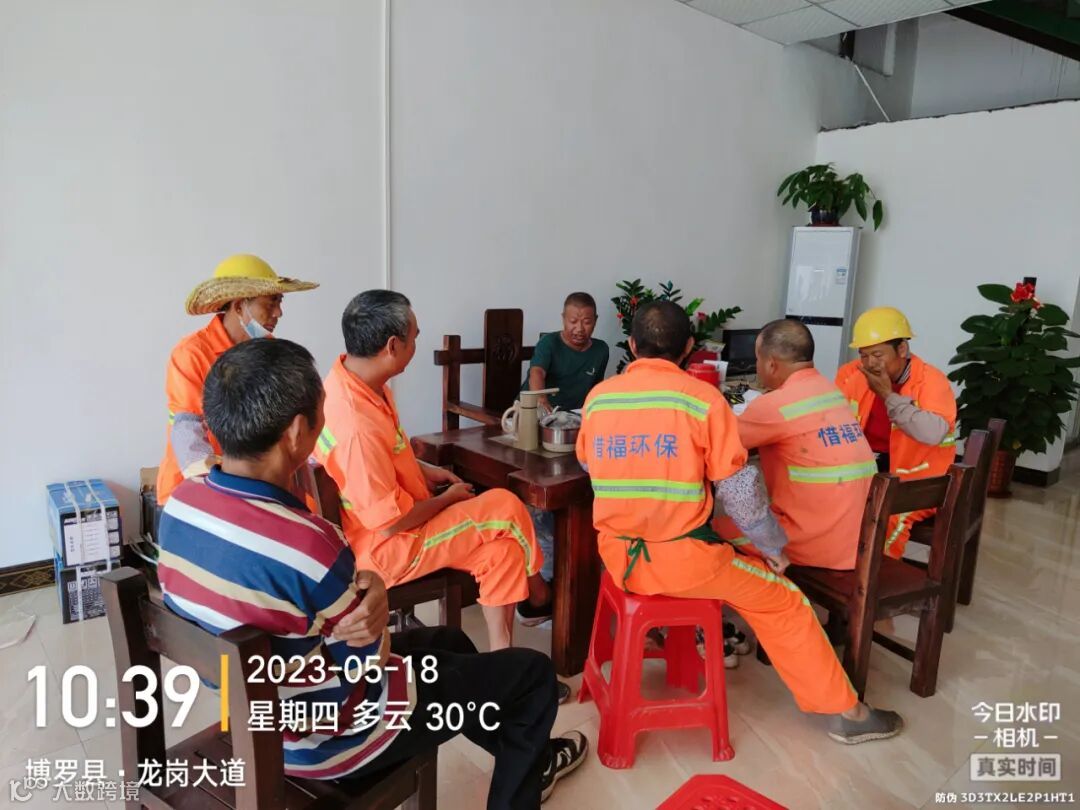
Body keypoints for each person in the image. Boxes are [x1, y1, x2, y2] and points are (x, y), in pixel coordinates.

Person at [157, 338, 587, 808]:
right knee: (533, 676)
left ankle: (527, 757)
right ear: (297, 432)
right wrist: (375, 596)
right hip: (330, 739)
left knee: (450, 642)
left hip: (250, 716)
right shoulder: (309, 545)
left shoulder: (179, 506)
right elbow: (367, 661)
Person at [577, 301, 903, 744]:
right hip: (683, 564)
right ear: (689, 348)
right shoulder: (703, 401)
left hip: (618, 558)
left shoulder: (599, 398)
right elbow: (741, 495)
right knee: (785, 601)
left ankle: (710, 634)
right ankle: (848, 714)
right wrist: (772, 548)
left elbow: (587, 461)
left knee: (725, 546)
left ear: (632, 345)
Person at [315, 290, 553, 654]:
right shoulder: (356, 425)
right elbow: (391, 522)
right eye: (414, 338)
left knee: (503, 551)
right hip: (387, 548)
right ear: (392, 346)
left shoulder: (355, 384)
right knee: (505, 506)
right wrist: (448, 500)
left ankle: (501, 659)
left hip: (396, 521)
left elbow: (388, 456)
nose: (416, 345)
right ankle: (540, 595)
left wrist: (424, 470)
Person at [156, 253, 318, 506]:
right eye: (270, 303)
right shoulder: (192, 354)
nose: (279, 312)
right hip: (194, 493)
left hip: (250, 490)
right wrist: (221, 492)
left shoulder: (270, 351)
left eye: (279, 302)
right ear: (240, 306)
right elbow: (188, 432)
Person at [714, 319, 875, 571]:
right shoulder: (831, 392)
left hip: (818, 543)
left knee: (716, 527)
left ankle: (769, 587)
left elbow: (718, 442)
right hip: (861, 540)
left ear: (771, 364)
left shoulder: (776, 405)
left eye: (757, 360)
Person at [516, 292, 609, 626]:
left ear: (595, 322)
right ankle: (545, 581)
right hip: (536, 419)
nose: (579, 328)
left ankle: (576, 578)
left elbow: (594, 394)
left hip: (574, 428)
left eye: (586, 321)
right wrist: (543, 406)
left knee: (584, 485)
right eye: (573, 321)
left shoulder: (601, 350)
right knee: (541, 490)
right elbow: (537, 374)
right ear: (563, 319)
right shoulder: (550, 344)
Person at [835, 307, 957, 559]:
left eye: (878, 354)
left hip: (919, 481)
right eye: (864, 355)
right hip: (868, 472)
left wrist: (887, 395)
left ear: (902, 349)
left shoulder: (931, 381)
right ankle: (839, 566)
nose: (870, 363)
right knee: (823, 499)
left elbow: (933, 433)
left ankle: (875, 575)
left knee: (886, 517)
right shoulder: (851, 374)